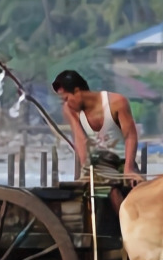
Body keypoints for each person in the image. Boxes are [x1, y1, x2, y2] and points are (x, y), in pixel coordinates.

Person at [52, 70, 143, 210]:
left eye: (66, 98)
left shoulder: (116, 102)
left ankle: (124, 225)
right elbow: (80, 139)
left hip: (120, 161)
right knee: (81, 192)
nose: (66, 103)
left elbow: (130, 135)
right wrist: (85, 171)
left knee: (119, 189)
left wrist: (129, 168)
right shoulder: (70, 110)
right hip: (97, 163)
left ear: (77, 91)